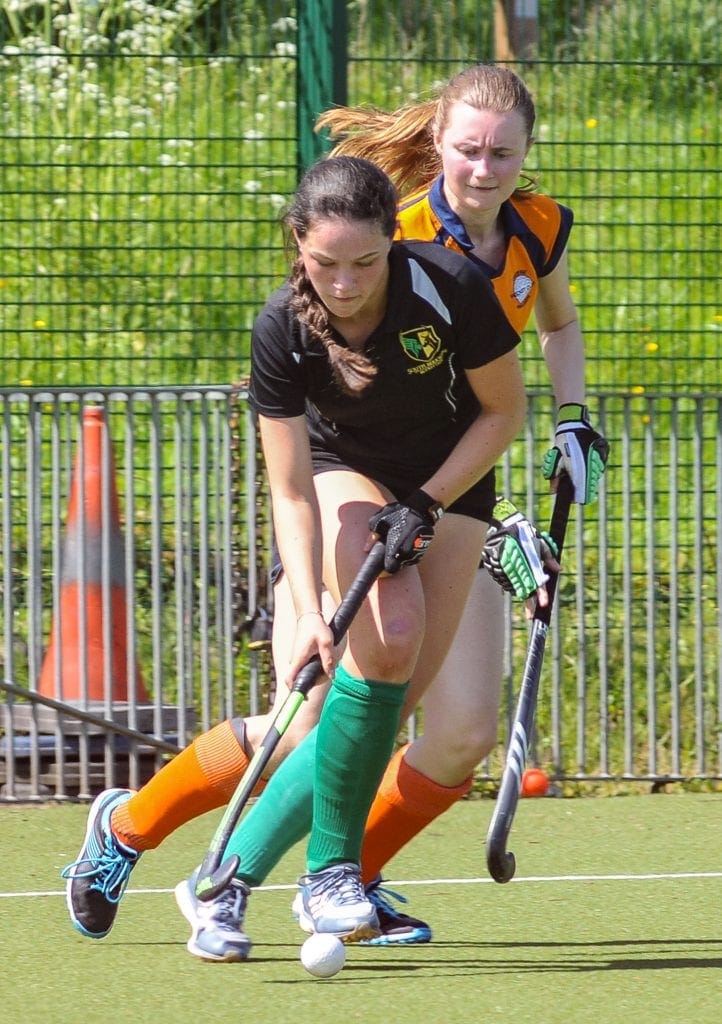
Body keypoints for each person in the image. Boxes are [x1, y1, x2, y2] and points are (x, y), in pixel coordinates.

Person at [61, 63, 608, 958]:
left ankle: (337, 876)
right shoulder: (367, 250)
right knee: (313, 723)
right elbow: (290, 475)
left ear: (527, 155)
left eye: (501, 152)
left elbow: (526, 370)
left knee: (409, 717)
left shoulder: (517, 242)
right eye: (467, 148)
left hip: (451, 478)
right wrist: (313, 601)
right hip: (347, 479)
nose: (483, 168)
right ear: (436, 144)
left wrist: (569, 424)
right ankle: (147, 839)